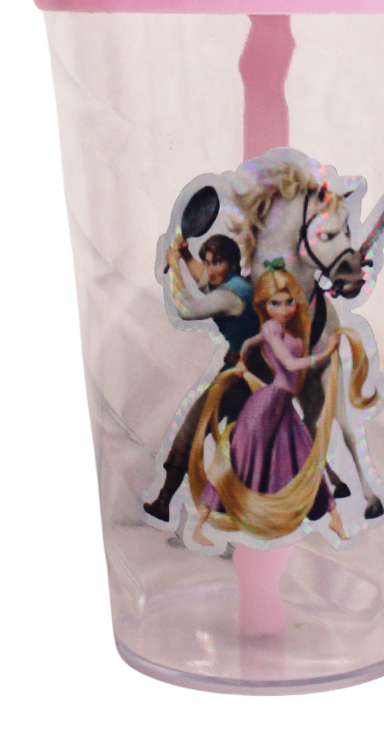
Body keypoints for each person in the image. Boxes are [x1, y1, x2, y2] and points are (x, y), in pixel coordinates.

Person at [191, 265, 350, 546]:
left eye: (289, 302)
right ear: (264, 305)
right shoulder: (271, 329)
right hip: (265, 406)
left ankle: (334, 518)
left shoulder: (288, 333)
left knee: (305, 458)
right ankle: (200, 525)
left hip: (283, 408)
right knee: (238, 460)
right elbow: (289, 364)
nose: (284, 308)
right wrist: (325, 353)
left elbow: (249, 344)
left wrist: (242, 360)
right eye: (275, 303)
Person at [143, 234, 265, 522]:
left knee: (192, 429)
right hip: (251, 374)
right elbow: (205, 278)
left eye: (217, 262)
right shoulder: (235, 284)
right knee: (235, 444)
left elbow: (187, 309)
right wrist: (186, 257)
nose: (210, 269)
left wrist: (174, 266)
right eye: (208, 262)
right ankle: (226, 508)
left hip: (241, 377)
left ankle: (164, 502)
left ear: (232, 264)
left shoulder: (230, 296)